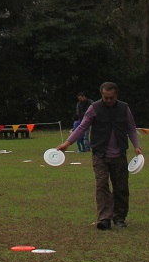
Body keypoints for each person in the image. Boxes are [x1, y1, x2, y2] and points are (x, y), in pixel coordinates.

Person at [56, 82, 144, 230]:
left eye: (111, 97)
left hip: (119, 155)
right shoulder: (94, 108)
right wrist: (67, 143)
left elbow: (131, 128)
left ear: (116, 95)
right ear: (101, 95)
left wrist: (136, 146)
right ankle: (104, 219)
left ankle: (119, 218)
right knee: (102, 185)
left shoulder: (124, 108)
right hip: (100, 155)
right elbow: (82, 127)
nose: (108, 100)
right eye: (105, 97)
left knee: (121, 187)